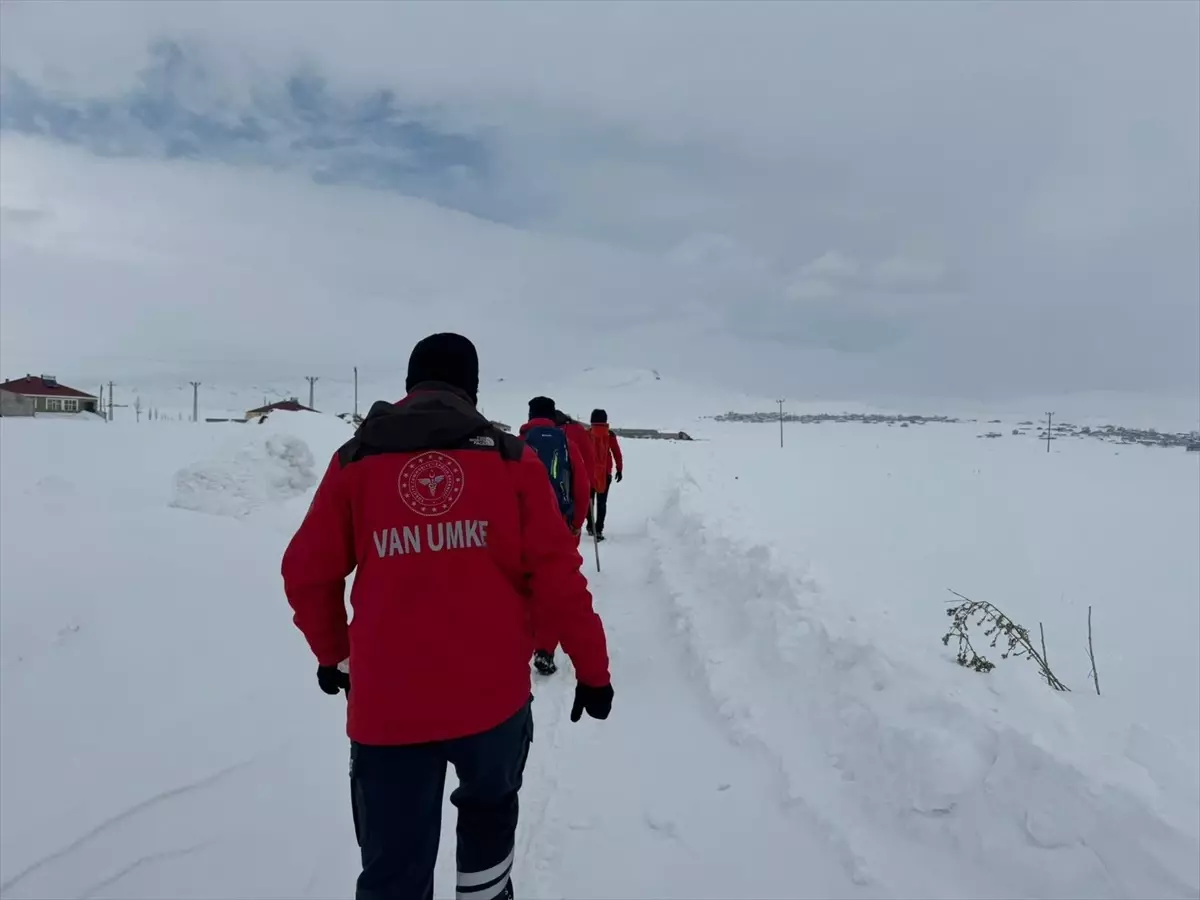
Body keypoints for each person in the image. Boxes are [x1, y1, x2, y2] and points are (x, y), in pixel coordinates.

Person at [281, 333, 614, 900]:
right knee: (487, 838)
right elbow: (559, 576)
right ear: (474, 389)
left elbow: (306, 573)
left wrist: (334, 654)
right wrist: (593, 671)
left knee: (393, 872)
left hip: (387, 709)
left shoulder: (355, 460)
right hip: (493, 704)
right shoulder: (512, 461)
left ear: (410, 384)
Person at [519, 397, 592, 677]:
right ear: (554, 417)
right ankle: (545, 649)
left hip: (522, 527)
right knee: (551, 588)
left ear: (529, 415)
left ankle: (518, 644)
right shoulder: (566, 444)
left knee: (522, 588)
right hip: (559, 527)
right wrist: (576, 522)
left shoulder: (515, 445)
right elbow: (582, 486)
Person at [586, 408, 623, 541]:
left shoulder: (587, 434)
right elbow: (616, 453)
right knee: (602, 502)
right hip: (605, 473)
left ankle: (590, 526)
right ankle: (599, 529)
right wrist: (619, 469)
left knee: (589, 501)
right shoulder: (610, 435)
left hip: (588, 473)